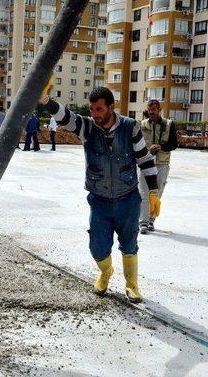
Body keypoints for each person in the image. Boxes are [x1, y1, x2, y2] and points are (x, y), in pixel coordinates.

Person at [40, 87, 160, 303]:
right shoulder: (87, 127)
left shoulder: (130, 127)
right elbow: (66, 116)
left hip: (128, 199)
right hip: (99, 200)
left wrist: (153, 192)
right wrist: (46, 100)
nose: (94, 113)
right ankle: (105, 272)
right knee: (97, 246)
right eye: (92, 109)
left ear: (111, 107)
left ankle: (132, 284)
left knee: (129, 244)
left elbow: (144, 159)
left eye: (99, 109)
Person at [138, 99, 178, 234]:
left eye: (154, 110)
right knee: (143, 192)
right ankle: (143, 222)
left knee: (157, 192)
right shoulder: (142, 124)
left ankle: (151, 220)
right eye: (149, 110)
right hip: (145, 162)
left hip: (162, 163)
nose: (151, 112)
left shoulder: (169, 124)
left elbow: (174, 144)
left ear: (159, 110)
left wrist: (161, 147)